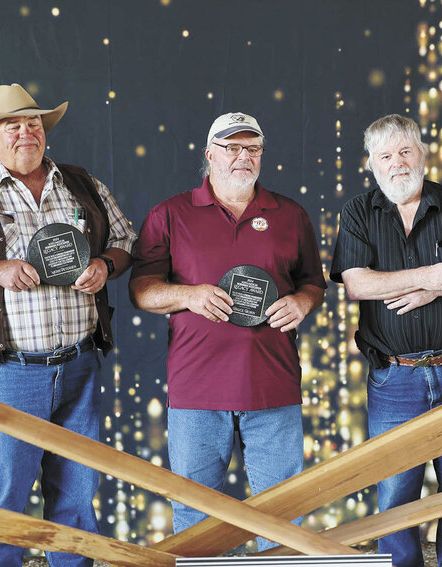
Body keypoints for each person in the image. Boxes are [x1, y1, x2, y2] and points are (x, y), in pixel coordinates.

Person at [0, 83, 136, 567]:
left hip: (79, 365)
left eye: (33, 123)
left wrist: (104, 265)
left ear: (44, 132)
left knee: (77, 499)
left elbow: (125, 240)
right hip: (7, 371)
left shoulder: (82, 183)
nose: (25, 132)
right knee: (3, 503)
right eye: (12, 125)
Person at [129, 112, 325, 549]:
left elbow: (315, 281)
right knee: (196, 518)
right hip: (196, 391)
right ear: (210, 154)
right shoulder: (169, 214)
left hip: (272, 387)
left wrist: (303, 301)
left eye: (252, 148)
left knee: (283, 516)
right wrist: (189, 295)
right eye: (232, 147)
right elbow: (141, 291)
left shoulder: (290, 214)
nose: (243, 157)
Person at [331, 114, 442, 567]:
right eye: (385, 156)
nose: (397, 163)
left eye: (405, 151)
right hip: (396, 377)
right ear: (372, 164)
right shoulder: (357, 212)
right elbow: (357, 284)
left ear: (422, 155)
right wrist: (431, 274)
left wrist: (438, 287)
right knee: (395, 496)